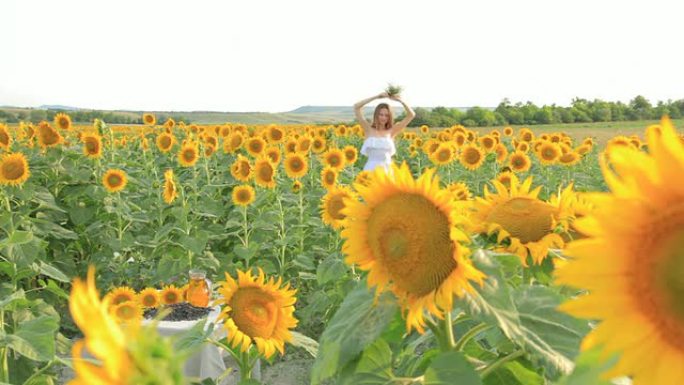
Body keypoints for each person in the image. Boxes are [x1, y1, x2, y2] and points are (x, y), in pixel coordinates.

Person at [354, 91, 416, 172]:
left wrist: (400, 101)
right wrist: (376, 97)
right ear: (376, 115)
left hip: (387, 170)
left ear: (389, 117)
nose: (383, 118)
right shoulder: (368, 129)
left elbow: (411, 115)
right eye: (381, 114)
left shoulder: (392, 130)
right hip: (370, 170)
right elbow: (356, 107)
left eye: (386, 115)